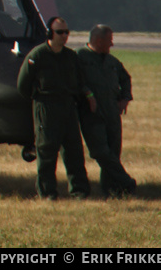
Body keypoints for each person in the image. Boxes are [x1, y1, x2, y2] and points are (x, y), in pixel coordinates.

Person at [17, 16, 93, 199]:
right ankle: (47, 192)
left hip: (68, 107)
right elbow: (22, 85)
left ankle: (79, 190)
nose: (64, 36)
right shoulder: (38, 56)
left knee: (74, 151)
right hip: (46, 108)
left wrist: (88, 96)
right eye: (60, 32)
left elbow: (80, 81)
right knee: (47, 151)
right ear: (50, 33)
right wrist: (39, 101)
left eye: (66, 32)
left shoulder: (70, 57)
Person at [78, 24, 137, 197]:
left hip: (112, 112)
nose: (112, 45)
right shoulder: (79, 57)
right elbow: (74, 80)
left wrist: (125, 98)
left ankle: (111, 190)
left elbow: (125, 79)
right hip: (91, 113)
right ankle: (126, 181)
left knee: (113, 152)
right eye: (110, 41)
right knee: (100, 152)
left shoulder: (112, 62)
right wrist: (87, 94)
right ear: (98, 40)